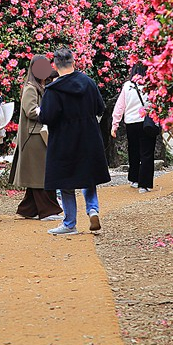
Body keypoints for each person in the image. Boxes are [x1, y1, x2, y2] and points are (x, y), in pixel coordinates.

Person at [39, 48, 110, 235]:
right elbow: (100, 107)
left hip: (64, 140)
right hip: (89, 136)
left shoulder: (53, 89)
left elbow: (47, 116)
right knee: (89, 177)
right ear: (73, 62)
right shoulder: (89, 83)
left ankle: (70, 223)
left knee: (66, 182)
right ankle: (93, 209)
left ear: (55, 65)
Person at [10, 55, 62, 221]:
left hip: (38, 134)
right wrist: (48, 112)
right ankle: (47, 210)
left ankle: (27, 209)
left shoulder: (40, 86)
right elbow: (30, 111)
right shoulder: (31, 88)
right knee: (40, 174)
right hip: (33, 136)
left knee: (37, 173)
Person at [111, 63, 157, 193]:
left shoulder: (127, 86)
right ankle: (144, 184)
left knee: (134, 151)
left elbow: (120, 107)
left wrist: (115, 125)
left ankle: (134, 179)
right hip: (146, 122)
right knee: (147, 153)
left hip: (131, 123)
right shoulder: (151, 86)